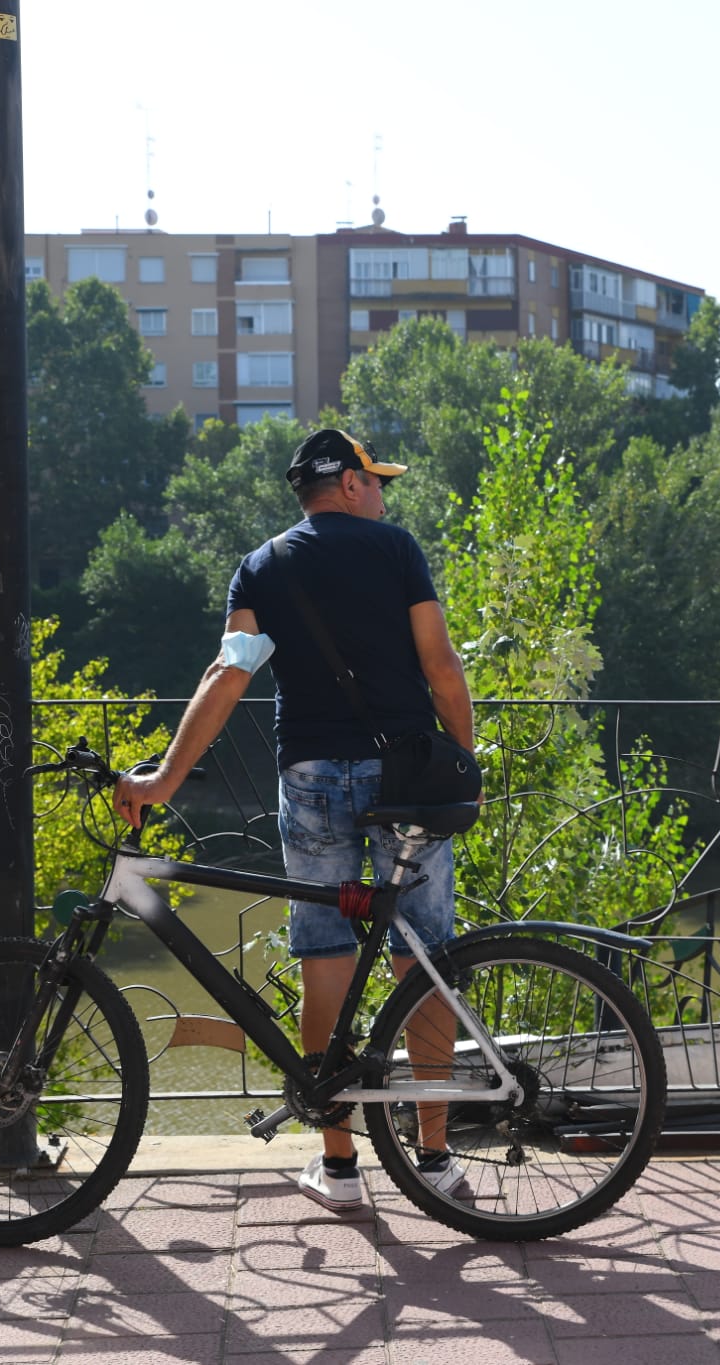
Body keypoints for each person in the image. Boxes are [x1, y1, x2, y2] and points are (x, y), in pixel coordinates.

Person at [113, 427, 476, 1213]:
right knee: (423, 960)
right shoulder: (396, 550)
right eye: (376, 481)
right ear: (347, 483)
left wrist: (166, 778)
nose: (383, 495)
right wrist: (464, 757)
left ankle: (341, 1166)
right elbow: (441, 665)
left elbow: (229, 672)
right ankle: (436, 1158)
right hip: (405, 778)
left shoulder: (264, 566)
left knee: (325, 954)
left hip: (311, 778)